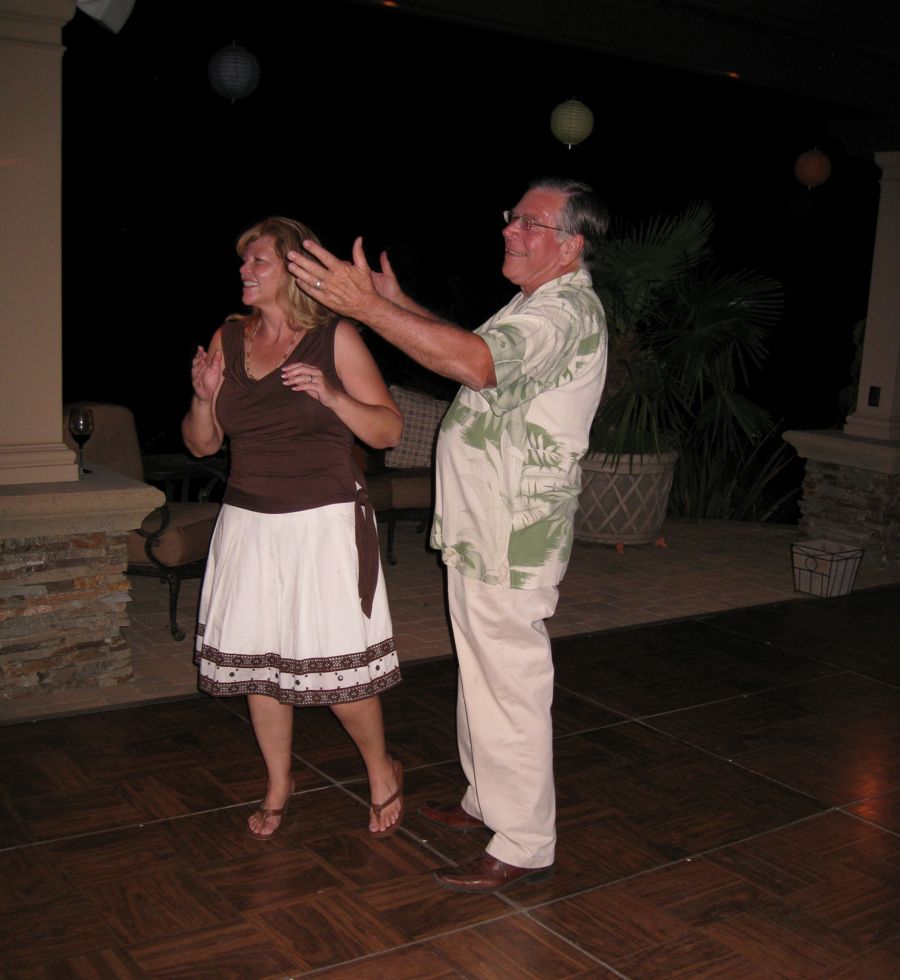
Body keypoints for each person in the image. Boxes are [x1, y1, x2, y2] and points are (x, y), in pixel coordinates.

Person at [286, 178, 609, 890]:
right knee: (484, 672)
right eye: (511, 218)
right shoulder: (534, 302)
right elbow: (467, 346)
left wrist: (365, 307)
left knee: (510, 681)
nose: (510, 231)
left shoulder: (565, 311)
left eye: (530, 223)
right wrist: (395, 305)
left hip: (512, 533)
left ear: (571, 244)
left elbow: (475, 365)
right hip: (485, 526)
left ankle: (524, 841)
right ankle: (486, 799)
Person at [183, 216, 405, 841]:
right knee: (262, 665)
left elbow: (388, 430)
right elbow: (202, 445)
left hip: (322, 523)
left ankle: (381, 769)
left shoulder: (334, 338)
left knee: (333, 670)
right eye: (243, 262)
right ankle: (279, 782)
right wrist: (203, 399)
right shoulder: (229, 338)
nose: (244, 272)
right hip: (249, 523)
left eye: (258, 261)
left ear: (293, 269)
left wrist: (334, 397)